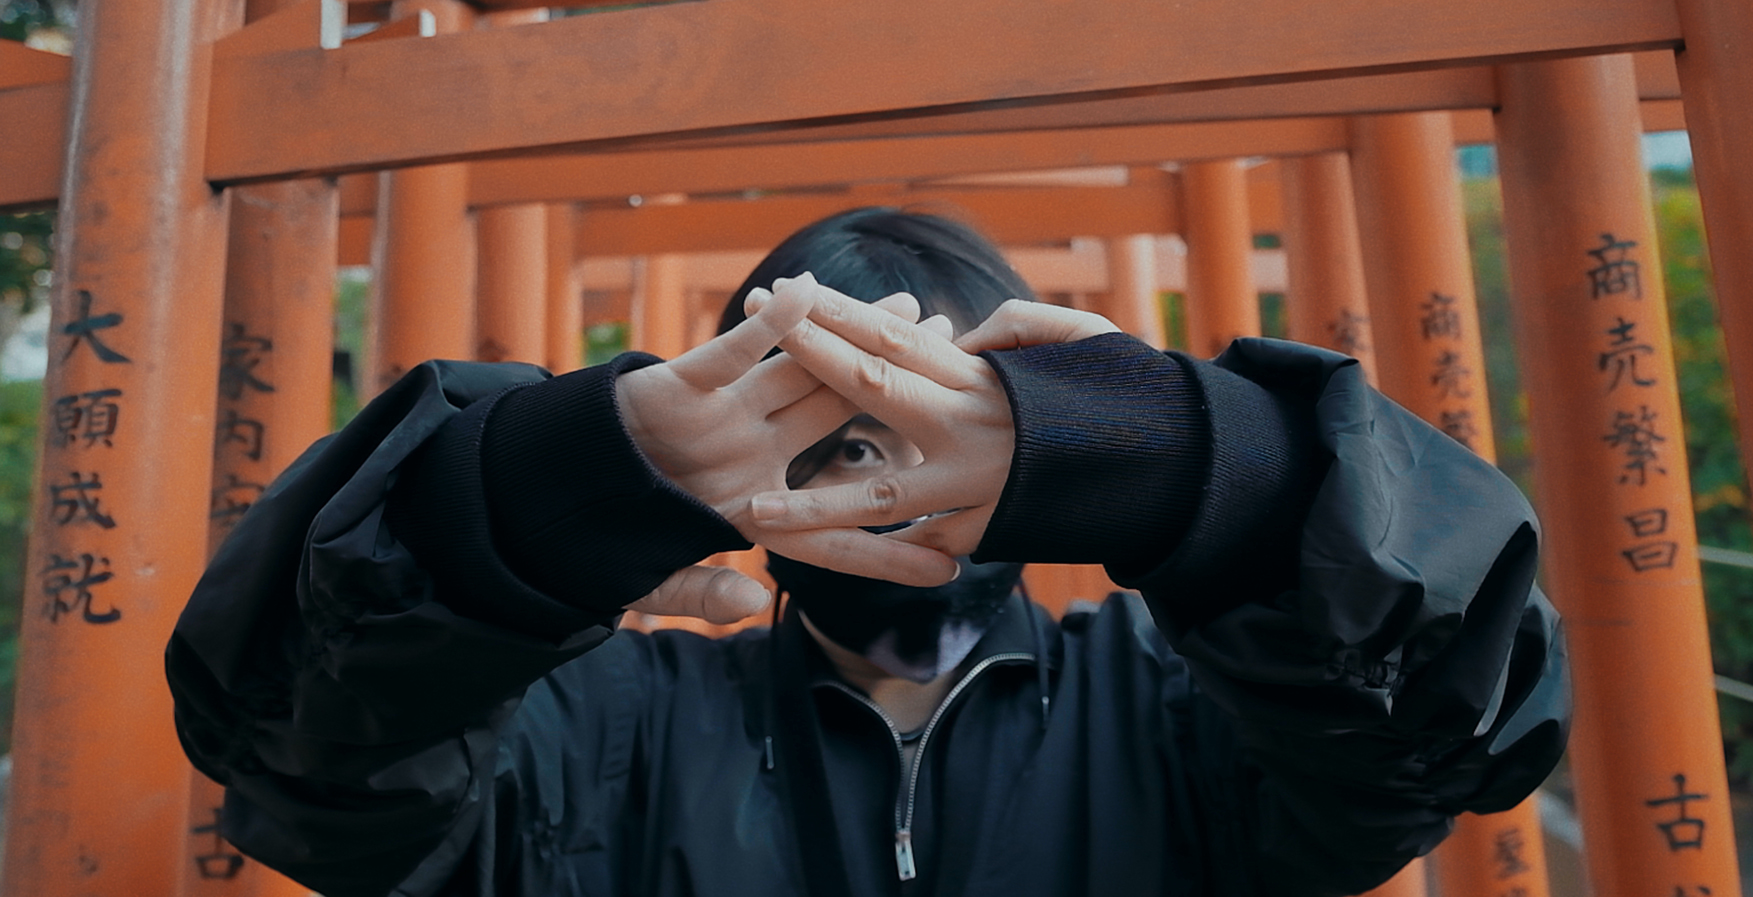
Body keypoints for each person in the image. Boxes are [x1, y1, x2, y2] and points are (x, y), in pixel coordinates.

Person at [168, 207, 1567, 897]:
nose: (893, 495)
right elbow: (321, 771)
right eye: (835, 442)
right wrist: (522, 513)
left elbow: (1427, 725)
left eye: (953, 441)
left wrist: (1214, 472)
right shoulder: (607, 725)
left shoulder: (1182, 709)